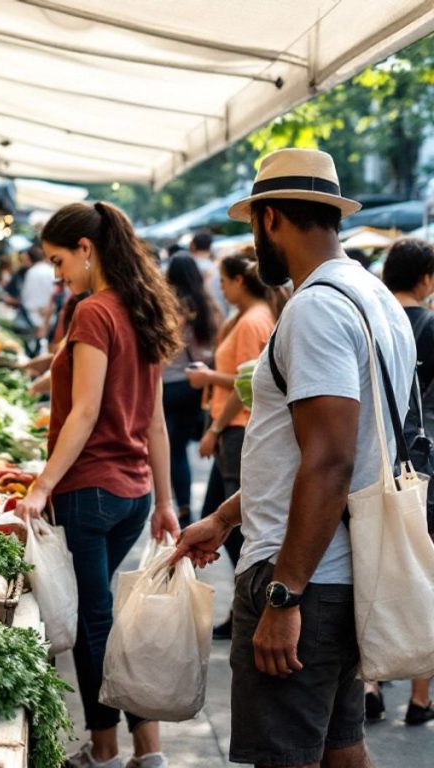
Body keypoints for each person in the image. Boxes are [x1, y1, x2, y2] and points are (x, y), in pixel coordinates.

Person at [173, 148, 415, 768]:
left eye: (255, 229)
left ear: (270, 217)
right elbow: (316, 451)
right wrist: (226, 519)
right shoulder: (375, 297)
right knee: (341, 745)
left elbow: (330, 459)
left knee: (290, 756)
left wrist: (285, 596)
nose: (256, 247)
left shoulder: (315, 308)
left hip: (307, 573)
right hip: (344, 567)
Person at [15, 201, 183, 768]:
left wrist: (41, 484)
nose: (57, 275)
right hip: (132, 495)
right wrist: (165, 500)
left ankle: (106, 749)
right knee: (111, 620)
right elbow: (155, 420)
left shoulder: (92, 313)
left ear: (86, 249)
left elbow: (84, 414)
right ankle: (150, 750)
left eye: (60, 262)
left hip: (88, 492)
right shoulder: (142, 309)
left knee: (96, 625)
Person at [187, 248, 281, 637]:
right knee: (218, 514)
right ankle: (247, 608)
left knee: (241, 526)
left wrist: (209, 384)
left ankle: (253, 607)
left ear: (240, 280)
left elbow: (246, 386)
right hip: (234, 426)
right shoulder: (250, 317)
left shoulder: (252, 321)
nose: (221, 289)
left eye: (224, 282)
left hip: (237, 427)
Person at [380, 237, 434, 725]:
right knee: (423, 571)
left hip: (374, 462)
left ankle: (369, 681)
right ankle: (420, 695)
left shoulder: (374, 319)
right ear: (426, 279)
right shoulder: (431, 325)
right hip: (423, 466)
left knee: (374, 567)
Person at [162, 252, 220, 528]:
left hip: (168, 384)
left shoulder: (169, 305)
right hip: (195, 384)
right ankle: (183, 506)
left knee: (171, 450)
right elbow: (215, 344)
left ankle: (178, 506)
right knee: (180, 447)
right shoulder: (206, 304)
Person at [20, 246, 57, 354]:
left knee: (38, 348)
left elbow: (26, 297)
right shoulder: (51, 271)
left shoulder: (31, 272)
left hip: (34, 316)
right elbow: (56, 294)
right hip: (50, 315)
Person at [190, 231, 227, 316]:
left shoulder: (190, 266)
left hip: (201, 314)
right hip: (220, 312)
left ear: (193, 245)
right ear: (210, 246)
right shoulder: (216, 267)